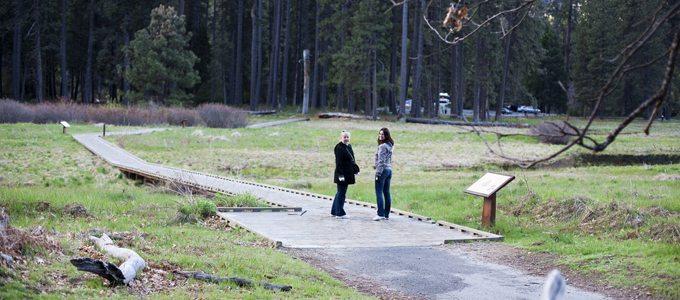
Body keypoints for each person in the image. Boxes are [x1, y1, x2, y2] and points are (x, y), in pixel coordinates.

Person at [331, 130, 358, 219]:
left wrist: (355, 169)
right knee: (341, 192)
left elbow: (351, 159)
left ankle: (334, 211)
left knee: (340, 192)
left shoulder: (348, 146)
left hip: (348, 173)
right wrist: (340, 175)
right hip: (342, 174)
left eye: (347, 137)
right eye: (344, 137)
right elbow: (339, 163)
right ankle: (340, 213)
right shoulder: (339, 148)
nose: (346, 139)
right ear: (341, 138)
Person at [372, 128, 394, 221]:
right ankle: (386, 214)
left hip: (383, 171)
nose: (380, 136)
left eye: (383, 134)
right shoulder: (390, 145)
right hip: (389, 170)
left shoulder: (382, 146)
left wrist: (378, 172)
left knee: (379, 192)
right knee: (387, 192)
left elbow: (381, 161)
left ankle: (380, 213)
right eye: (379, 134)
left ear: (386, 136)